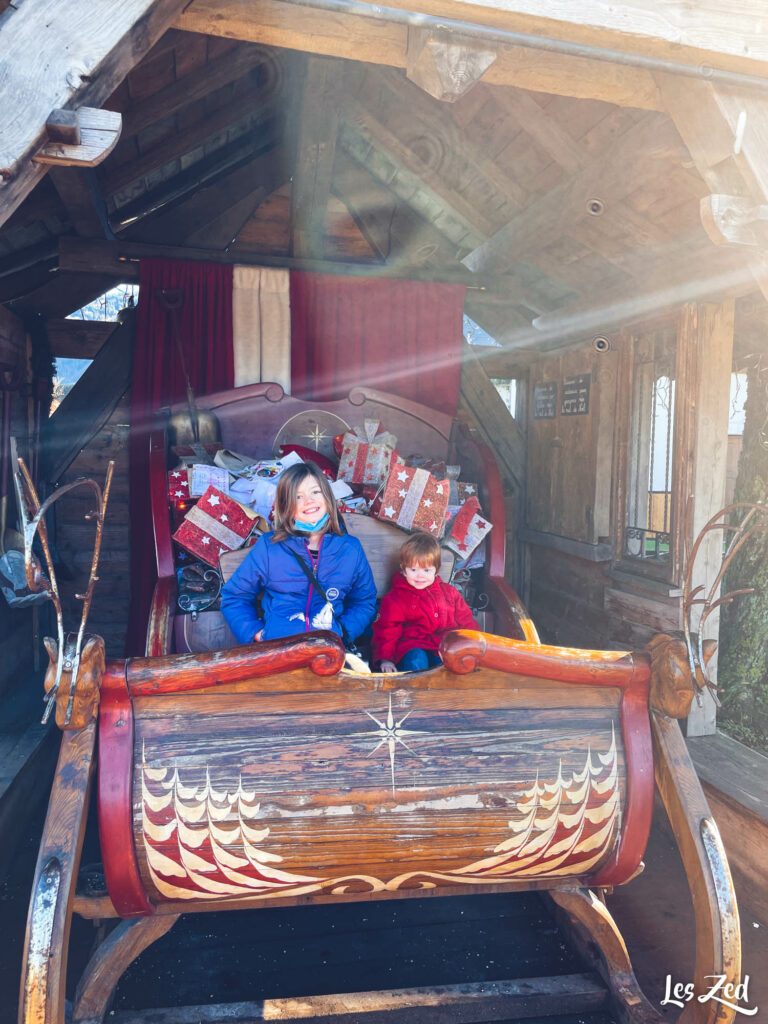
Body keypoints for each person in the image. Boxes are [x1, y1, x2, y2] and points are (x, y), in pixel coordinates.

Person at [221, 462, 376, 646]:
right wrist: (258, 634)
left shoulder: (350, 549)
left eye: (315, 492)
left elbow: (364, 601)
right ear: (286, 505)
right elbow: (234, 597)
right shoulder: (270, 547)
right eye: (298, 496)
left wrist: (341, 632)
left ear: (327, 496)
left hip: (328, 650)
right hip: (279, 651)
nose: (308, 501)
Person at [372, 533, 477, 673]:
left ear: (436, 570)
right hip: (412, 645)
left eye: (426, 570)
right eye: (413, 570)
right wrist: (386, 659)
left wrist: (474, 646)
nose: (420, 576)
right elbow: (387, 629)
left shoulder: (450, 593)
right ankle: (416, 693)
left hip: (443, 644)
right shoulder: (396, 598)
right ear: (404, 569)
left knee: (448, 663)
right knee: (416, 661)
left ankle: (446, 692)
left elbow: (466, 622)